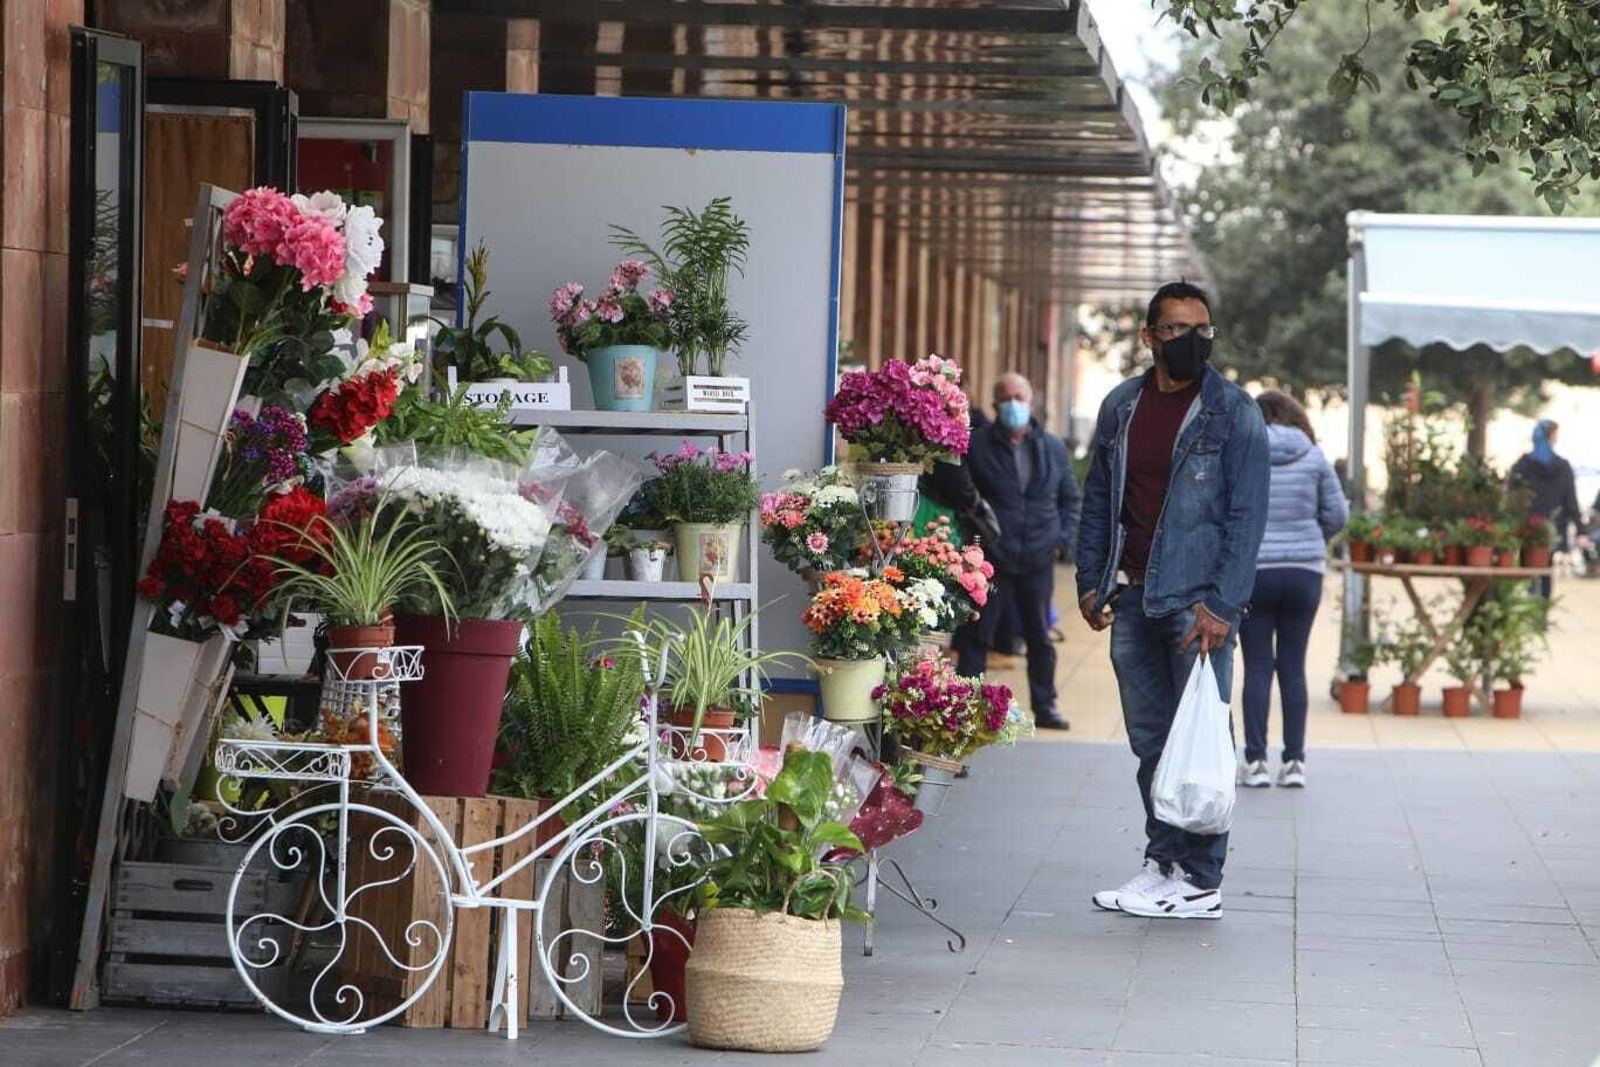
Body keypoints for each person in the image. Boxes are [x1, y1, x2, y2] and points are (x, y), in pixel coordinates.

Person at [1076, 280, 1269, 920]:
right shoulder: (1122, 408)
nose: (1193, 340)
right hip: (1132, 599)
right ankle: (1164, 866)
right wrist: (1091, 580)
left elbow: (1247, 519)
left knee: (1204, 742)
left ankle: (1203, 880)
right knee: (1153, 743)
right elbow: (1099, 502)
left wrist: (1223, 605)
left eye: (1203, 329)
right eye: (1178, 329)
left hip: (1198, 610)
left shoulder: (1234, 412)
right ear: (1151, 336)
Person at [956, 371, 1080, 730]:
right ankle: (964, 711)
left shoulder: (1053, 448)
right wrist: (973, 548)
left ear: (1031, 402)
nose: (1014, 404)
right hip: (993, 558)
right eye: (1006, 397)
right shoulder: (976, 446)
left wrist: (1061, 541)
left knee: (1040, 636)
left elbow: (1070, 498)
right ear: (995, 404)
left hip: (1039, 556)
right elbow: (963, 499)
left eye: (1019, 397)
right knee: (977, 635)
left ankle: (1046, 706)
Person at [1237, 392, 1348, 791]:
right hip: (1304, 573)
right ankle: (1295, 762)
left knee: (1257, 667)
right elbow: (1338, 515)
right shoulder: (1315, 457)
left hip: (1256, 573)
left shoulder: (1245, 454)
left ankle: (1255, 762)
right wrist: (1311, 537)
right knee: (1292, 665)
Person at [1509, 420, 1585, 598]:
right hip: (1552, 526)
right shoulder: (1562, 467)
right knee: (1545, 568)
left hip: (1527, 526)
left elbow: (1511, 497)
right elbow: (1570, 500)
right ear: (1551, 436)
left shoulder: (1522, 465)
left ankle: (1530, 606)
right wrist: (1580, 529)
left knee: (1528, 566)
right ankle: (1541, 610)